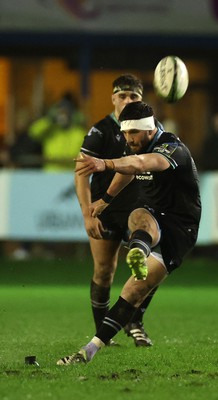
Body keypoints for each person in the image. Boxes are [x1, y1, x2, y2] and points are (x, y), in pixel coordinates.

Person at [57, 101, 201, 365]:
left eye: (133, 133)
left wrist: (105, 164)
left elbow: (140, 163)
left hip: (181, 228)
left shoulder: (171, 147)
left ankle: (140, 251)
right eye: (124, 133)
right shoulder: (134, 142)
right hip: (153, 213)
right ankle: (88, 351)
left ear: (148, 131)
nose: (127, 139)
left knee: (136, 289)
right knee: (137, 219)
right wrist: (106, 200)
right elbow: (128, 170)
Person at [74, 75, 158, 347]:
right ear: (112, 99)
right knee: (104, 270)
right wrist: (87, 213)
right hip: (106, 209)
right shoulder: (100, 131)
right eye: (122, 96)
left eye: (133, 96)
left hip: (139, 207)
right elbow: (80, 174)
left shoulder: (152, 129)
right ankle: (103, 332)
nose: (127, 101)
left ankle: (136, 323)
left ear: (141, 99)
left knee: (150, 265)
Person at [28, 95, 87, 172]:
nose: (63, 116)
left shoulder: (79, 133)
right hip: (50, 174)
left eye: (66, 112)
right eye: (60, 112)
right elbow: (33, 132)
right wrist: (49, 120)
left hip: (71, 174)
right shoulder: (50, 130)